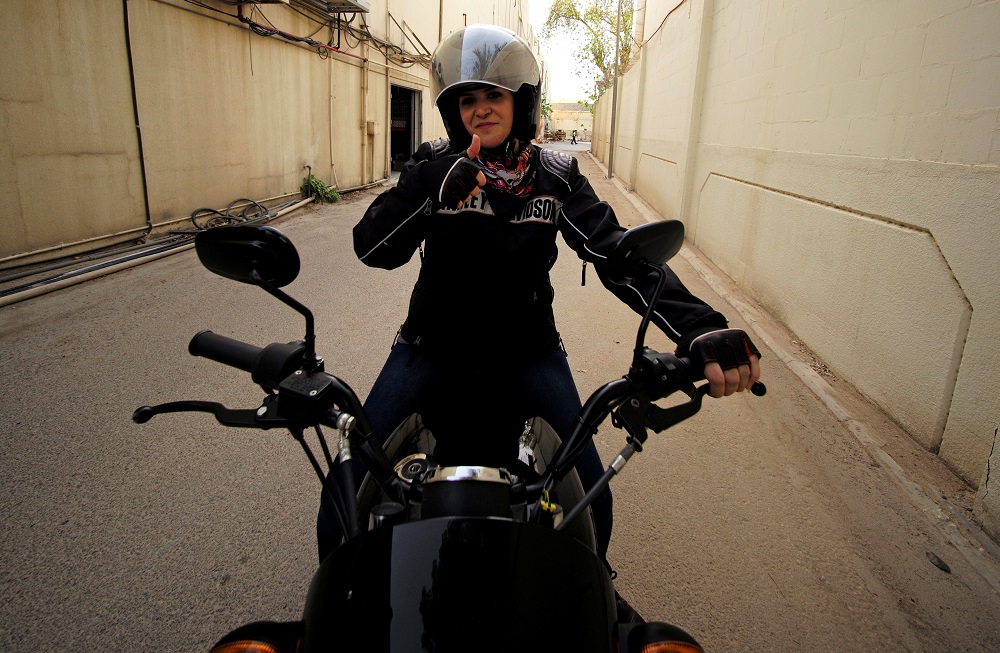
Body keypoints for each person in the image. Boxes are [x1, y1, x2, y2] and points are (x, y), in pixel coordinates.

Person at [317, 24, 761, 572]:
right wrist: (426, 190)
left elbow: (617, 254)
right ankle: (342, 593)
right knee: (345, 488)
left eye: (493, 96)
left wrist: (699, 327)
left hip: (529, 352)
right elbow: (372, 248)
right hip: (429, 347)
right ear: (452, 110)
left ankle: (589, 589)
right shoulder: (433, 166)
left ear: (520, 101)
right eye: (466, 100)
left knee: (594, 499)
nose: (480, 110)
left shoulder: (555, 176)